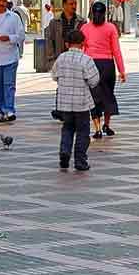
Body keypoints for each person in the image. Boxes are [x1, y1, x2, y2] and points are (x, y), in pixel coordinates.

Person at [51, 29, 100, 171]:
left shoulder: (61, 58)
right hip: (82, 104)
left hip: (64, 103)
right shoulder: (86, 60)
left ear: (67, 44)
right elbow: (94, 81)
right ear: (83, 43)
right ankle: (80, 160)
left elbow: (54, 76)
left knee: (67, 128)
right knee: (83, 132)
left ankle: (64, 152)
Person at [82, 2, 125, 139]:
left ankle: (97, 129)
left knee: (93, 97)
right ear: (105, 13)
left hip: (90, 65)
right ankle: (107, 124)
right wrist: (121, 70)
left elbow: (82, 49)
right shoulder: (111, 28)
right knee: (107, 95)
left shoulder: (85, 28)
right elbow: (116, 50)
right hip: (107, 65)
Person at [44, 0, 86, 70]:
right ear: (64, 5)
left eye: (75, 4)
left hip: (77, 60)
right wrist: (51, 60)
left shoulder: (82, 22)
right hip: (60, 60)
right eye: (71, 4)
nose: (74, 6)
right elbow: (49, 41)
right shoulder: (54, 22)